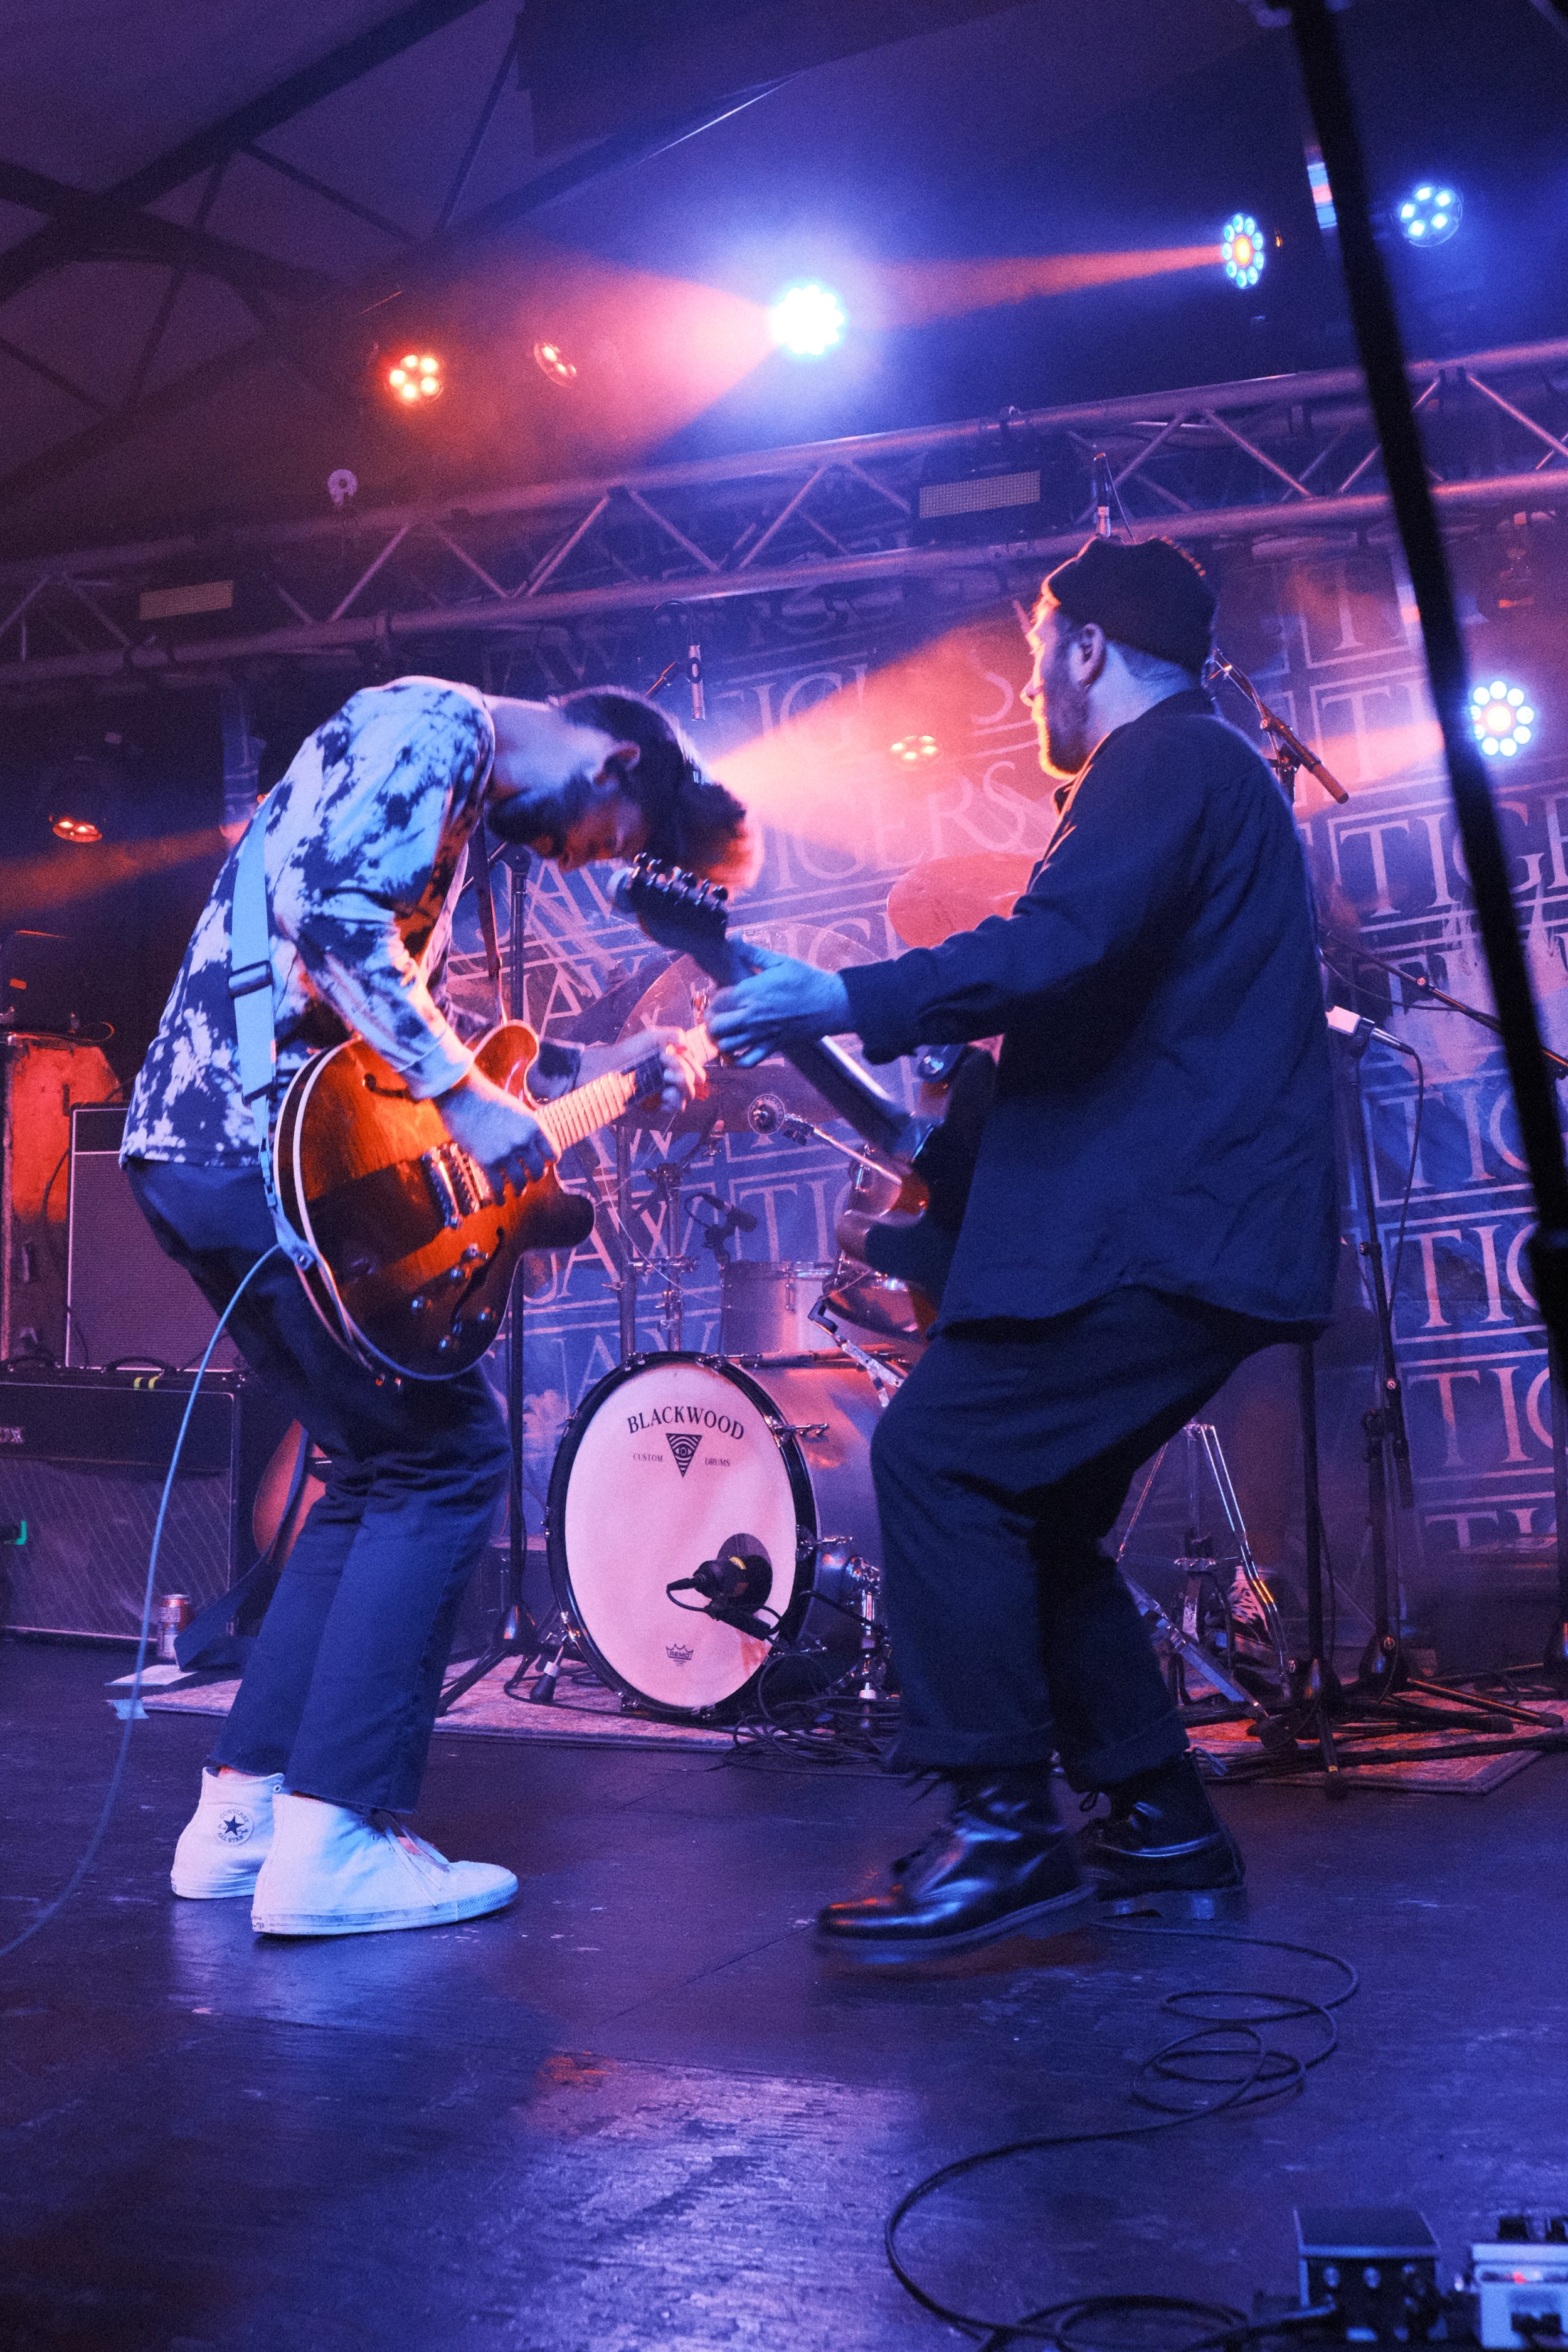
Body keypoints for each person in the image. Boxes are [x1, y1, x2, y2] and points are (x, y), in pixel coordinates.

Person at [707, 538, 1337, 1962]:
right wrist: (908, 1119)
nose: (1027, 682)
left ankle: (1001, 1831)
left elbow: (1055, 947)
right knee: (1036, 1512)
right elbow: (1086, 1015)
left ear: (1086, 647)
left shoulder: (1170, 763)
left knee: (942, 1459)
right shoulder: (1187, 775)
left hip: (1164, 1234)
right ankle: (1165, 1831)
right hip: (1172, 1230)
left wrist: (846, 989)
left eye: (1033, 651)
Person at [123, 675, 755, 1939]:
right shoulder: (434, 727)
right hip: (264, 1158)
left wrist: (610, 1078)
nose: (585, 862)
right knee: (450, 1456)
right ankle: (340, 1838)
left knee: (375, 1464)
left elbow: (386, 1026)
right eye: (613, 838)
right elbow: (333, 922)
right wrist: (467, 1103)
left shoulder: (438, 796)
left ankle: (244, 1817)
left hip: (206, 1157)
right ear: (617, 761)